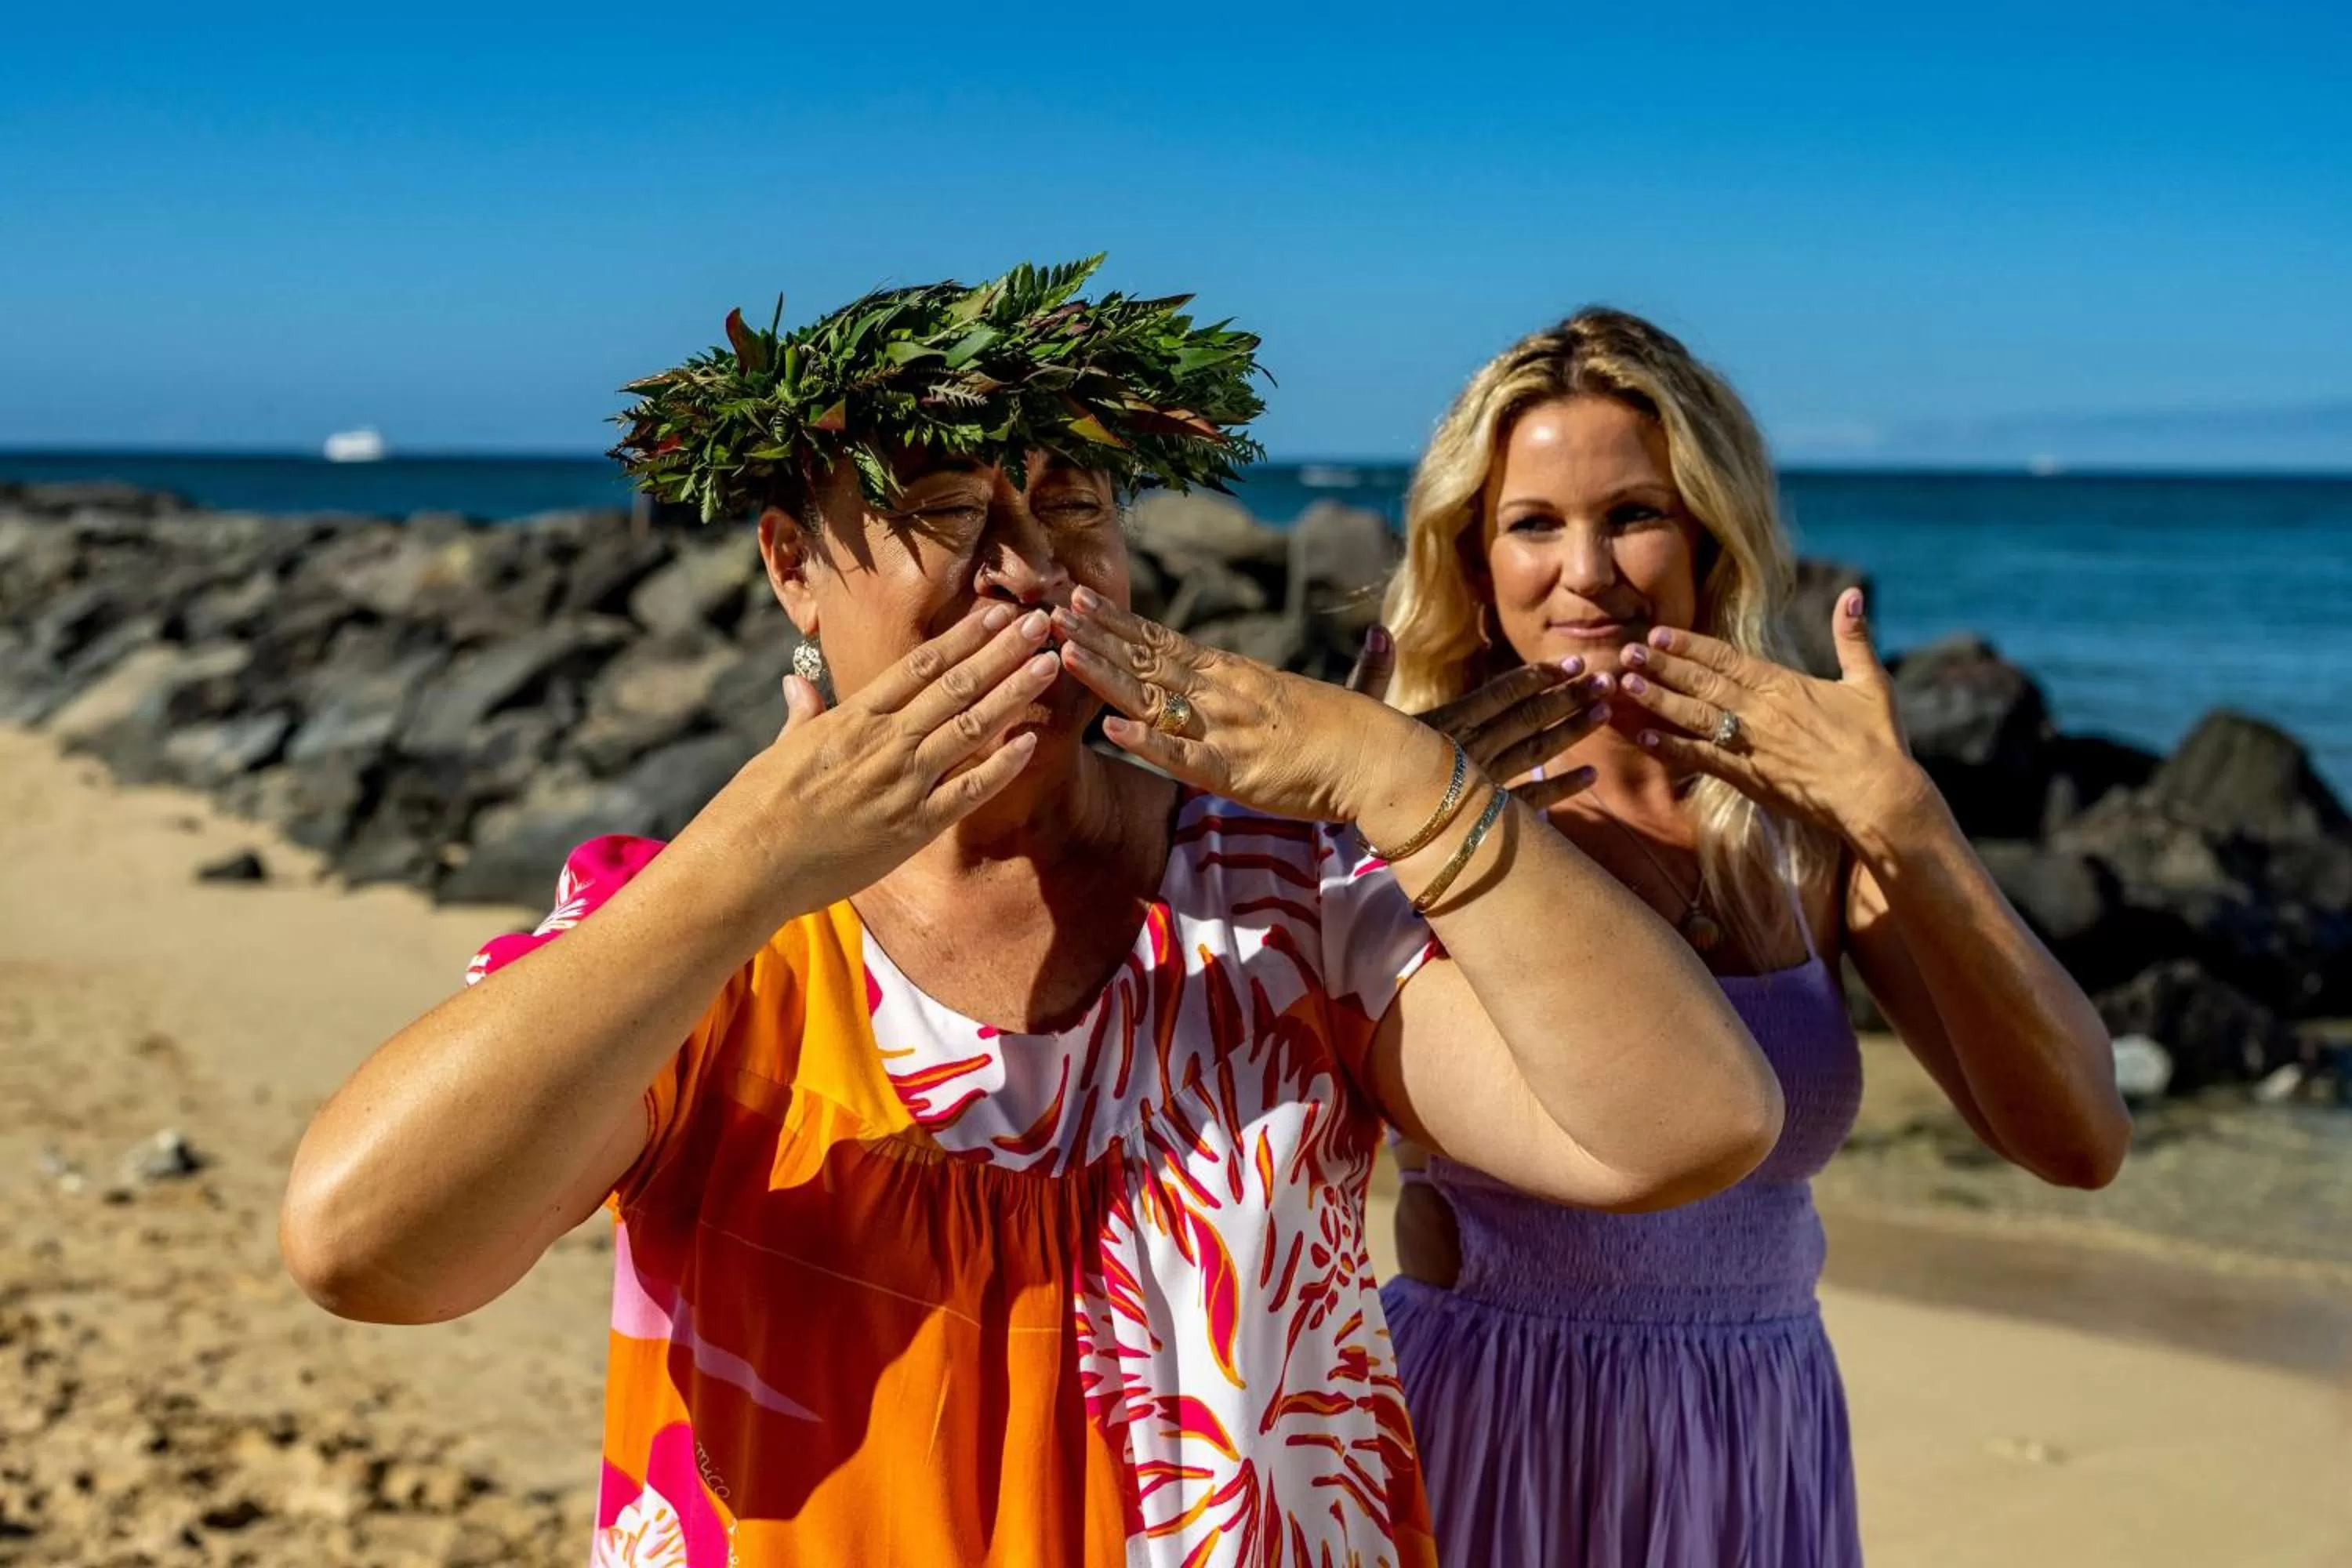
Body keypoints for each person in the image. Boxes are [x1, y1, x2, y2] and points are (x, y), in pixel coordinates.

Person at [278, 264, 1786, 1567]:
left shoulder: (1291, 910)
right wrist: (746, 863)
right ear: (792, 567)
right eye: (945, 513)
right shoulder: (691, 945)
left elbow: (1684, 1130)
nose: (1027, 573)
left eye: (1073, 508)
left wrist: (1382, 766)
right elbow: (365, 1251)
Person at [1371, 308, 2132, 1566]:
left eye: (1633, 514)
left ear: (1711, 536)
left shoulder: (1798, 831)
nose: (1588, 573)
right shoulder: (1422, 813)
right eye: (1534, 524)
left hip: (1762, 1427)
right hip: (1494, 1423)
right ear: (1469, 557)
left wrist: (1906, 819)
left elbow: (2080, 1140)